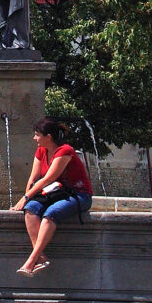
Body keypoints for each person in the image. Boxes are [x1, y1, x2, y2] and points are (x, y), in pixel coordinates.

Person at [17, 118, 92, 275]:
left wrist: (24, 198)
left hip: (79, 195)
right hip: (55, 193)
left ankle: (31, 261)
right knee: (30, 209)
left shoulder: (65, 151)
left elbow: (48, 179)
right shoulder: (41, 151)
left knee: (50, 214)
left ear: (48, 137)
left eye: (37, 135)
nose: (34, 138)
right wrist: (26, 199)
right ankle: (41, 257)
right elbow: (33, 178)